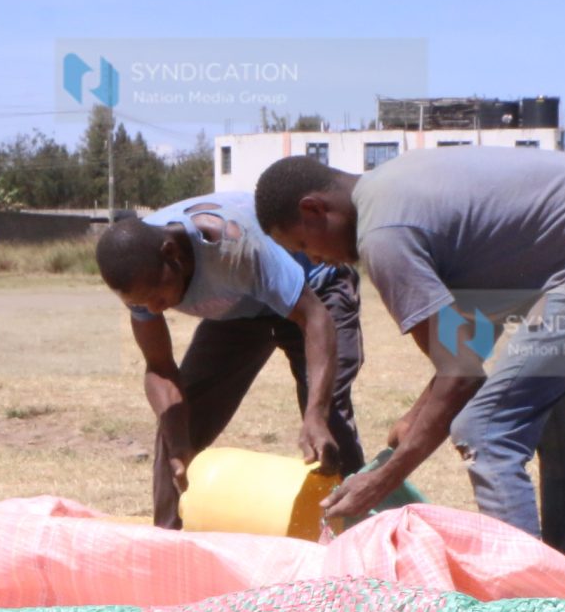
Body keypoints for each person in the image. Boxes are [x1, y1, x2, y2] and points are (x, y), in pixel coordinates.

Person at [254, 148, 565, 561]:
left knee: (485, 430)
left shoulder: (383, 235)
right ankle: (561, 581)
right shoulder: (396, 189)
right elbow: (474, 333)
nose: (313, 258)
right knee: (562, 426)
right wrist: (419, 413)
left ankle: (525, 603)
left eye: (302, 244)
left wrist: (381, 479)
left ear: (314, 210)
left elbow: (462, 375)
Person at [94, 191, 367, 528]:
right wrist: (180, 443)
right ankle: (167, 542)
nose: (153, 309)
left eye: (156, 296)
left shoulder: (233, 244)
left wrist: (316, 412)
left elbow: (314, 318)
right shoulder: (137, 264)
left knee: (328, 419)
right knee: (178, 423)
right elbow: (160, 367)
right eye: (140, 304)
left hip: (315, 291)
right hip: (241, 305)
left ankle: (360, 539)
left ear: (171, 254)